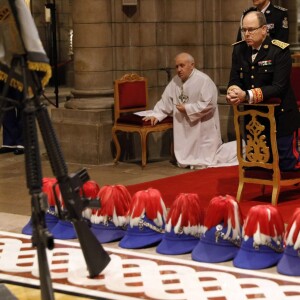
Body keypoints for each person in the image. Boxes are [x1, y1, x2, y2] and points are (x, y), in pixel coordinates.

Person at [227, 11, 300, 171]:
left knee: (287, 166)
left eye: (251, 29)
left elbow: (278, 87)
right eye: (244, 30)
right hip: (253, 117)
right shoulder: (239, 50)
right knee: (257, 166)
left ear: (264, 29)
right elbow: (234, 78)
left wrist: (246, 95)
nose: (247, 34)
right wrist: (233, 90)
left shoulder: (279, 50)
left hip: (280, 117)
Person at [143, 52, 237, 169]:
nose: (179, 69)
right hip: (183, 127)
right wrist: (156, 114)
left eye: (182, 65)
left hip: (202, 126)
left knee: (206, 160)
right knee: (185, 160)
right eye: (177, 66)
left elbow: (209, 104)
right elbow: (165, 100)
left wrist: (187, 108)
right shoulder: (175, 81)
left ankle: (242, 148)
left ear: (192, 65)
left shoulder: (204, 81)